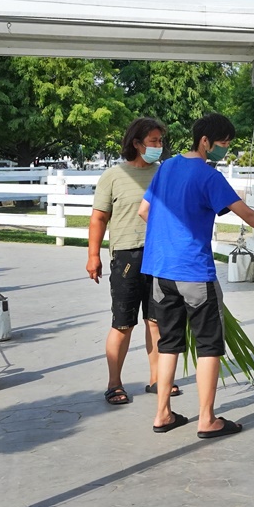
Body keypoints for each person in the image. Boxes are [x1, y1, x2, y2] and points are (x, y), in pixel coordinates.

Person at [139, 112, 254, 439]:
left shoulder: (166, 168)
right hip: (194, 272)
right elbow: (248, 215)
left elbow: (144, 211)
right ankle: (207, 419)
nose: (224, 150)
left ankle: (162, 413)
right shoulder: (209, 177)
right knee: (209, 345)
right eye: (222, 144)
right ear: (205, 141)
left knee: (169, 343)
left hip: (159, 272)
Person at [86, 117, 169, 406]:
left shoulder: (163, 173)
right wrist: (93, 255)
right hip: (127, 256)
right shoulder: (114, 176)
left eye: (160, 141)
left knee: (156, 322)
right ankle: (114, 384)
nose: (159, 146)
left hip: (159, 255)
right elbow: (99, 217)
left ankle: (159, 380)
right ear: (136, 143)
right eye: (154, 141)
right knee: (123, 323)